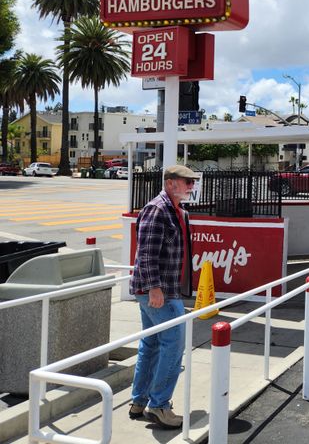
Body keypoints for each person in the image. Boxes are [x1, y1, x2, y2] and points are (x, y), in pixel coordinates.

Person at [128, 165, 198, 429]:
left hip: (162, 290)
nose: (191, 185)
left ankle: (140, 400)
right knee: (173, 344)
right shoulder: (158, 210)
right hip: (160, 292)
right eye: (186, 181)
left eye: (192, 181)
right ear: (170, 183)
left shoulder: (174, 210)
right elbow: (146, 253)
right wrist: (154, 288)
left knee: (152, 344)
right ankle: (159, 405)